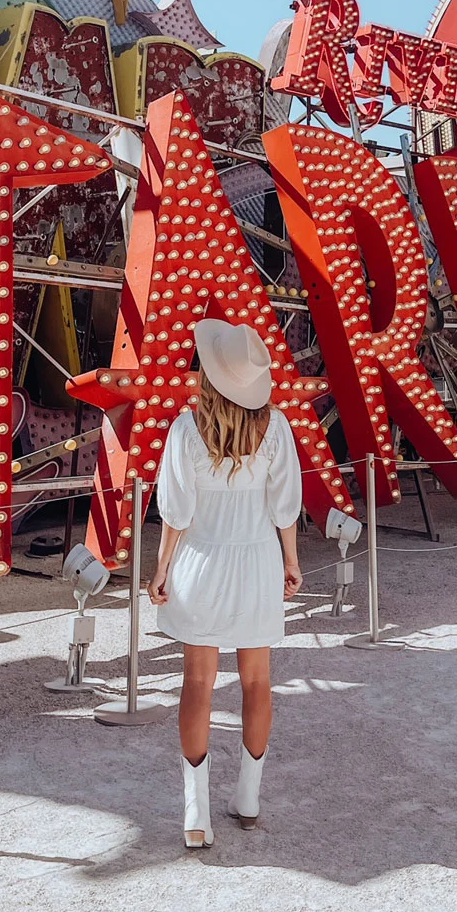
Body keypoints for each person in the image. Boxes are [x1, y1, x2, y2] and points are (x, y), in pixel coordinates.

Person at [148, 318, 303, 849]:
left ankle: (196, 814)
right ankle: (250, 799)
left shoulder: (186, 429)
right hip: (257, 562)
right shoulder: (275, 427)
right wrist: (291, 561)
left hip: (201, 563)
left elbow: (176, 510)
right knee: (258, 682)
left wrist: (162, 566)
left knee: (197, 684)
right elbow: (284, 507)